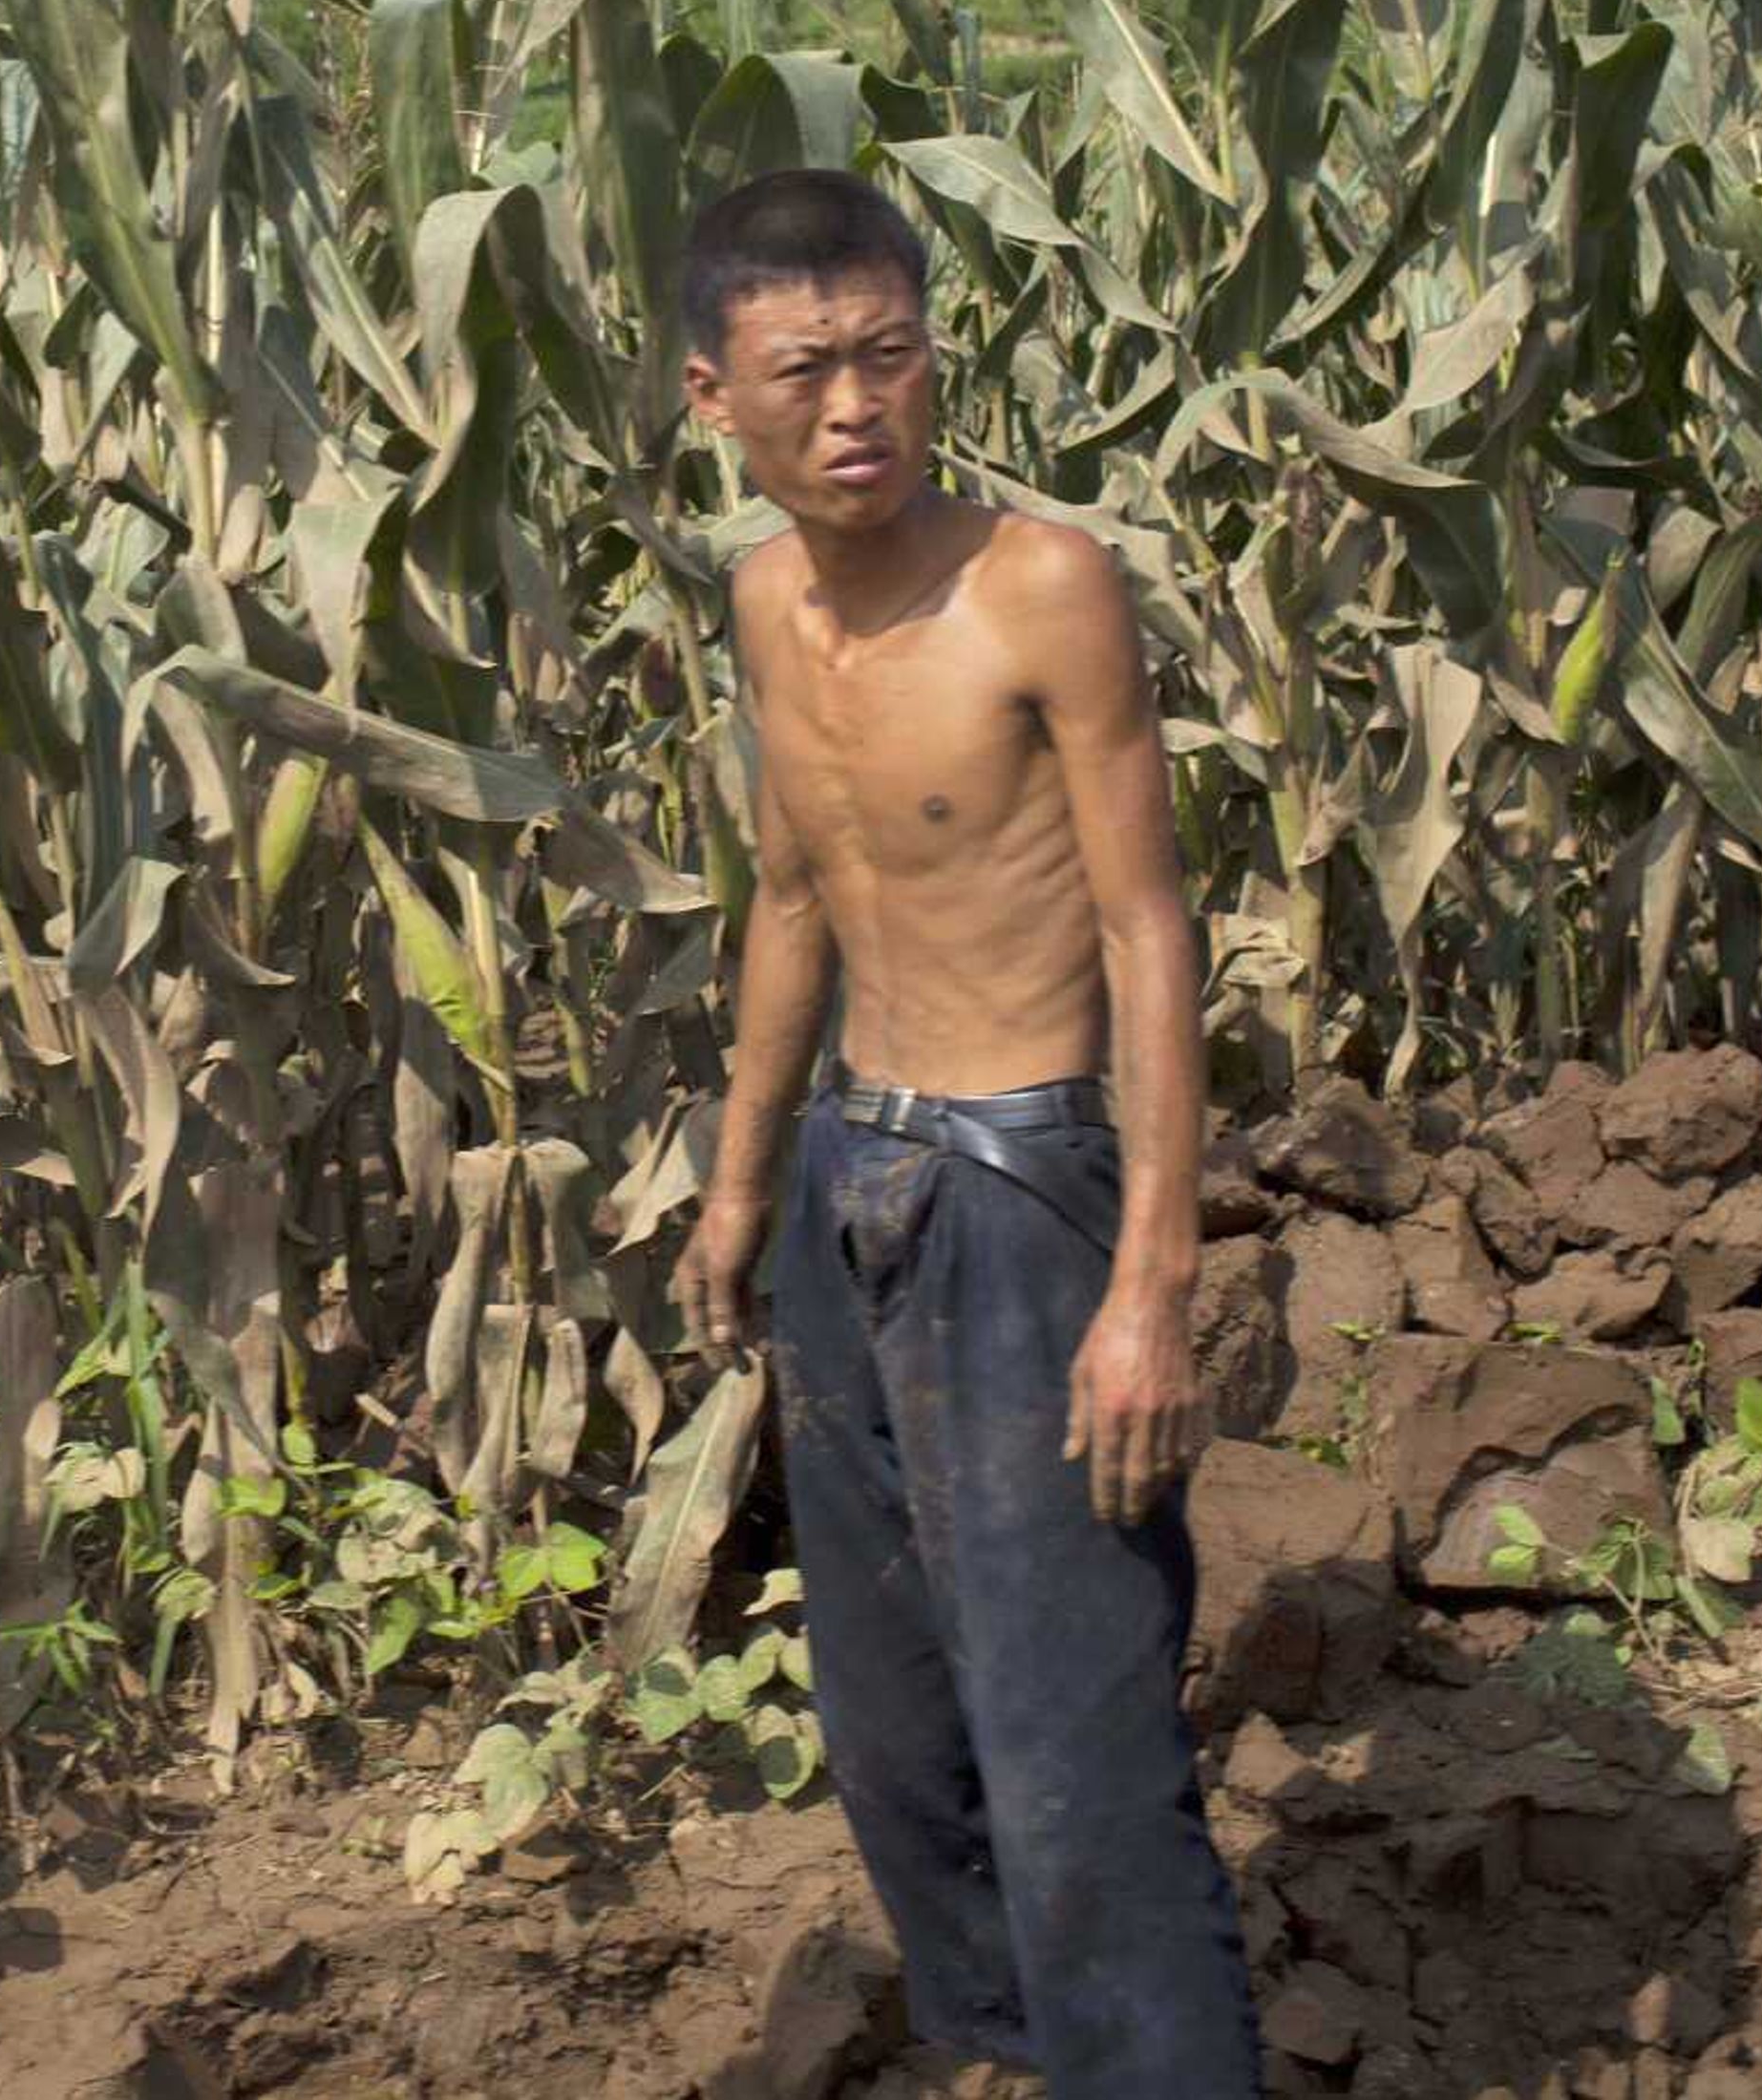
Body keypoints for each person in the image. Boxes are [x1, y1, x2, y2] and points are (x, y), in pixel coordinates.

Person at [665, 169, 1261, 2092]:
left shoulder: (1040, 587)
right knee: (895, 1722)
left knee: (1072, 1743)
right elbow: (787, 897)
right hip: (853, 1178)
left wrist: (1152, 1285)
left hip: (1022, 1188)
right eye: (804, 369)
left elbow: (1146, 927)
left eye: (889, 357)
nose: (856, 406)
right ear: (713, 399)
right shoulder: (762, 599)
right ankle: (1018, 2051)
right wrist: (741, 1187)